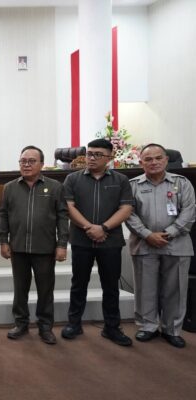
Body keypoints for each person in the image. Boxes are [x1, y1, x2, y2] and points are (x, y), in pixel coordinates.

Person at [61, 138, 134, 346]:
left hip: (110, 241)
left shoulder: (121, 180)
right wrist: (90, 228)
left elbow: (126, 209)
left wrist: (103, 228)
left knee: (111, 286)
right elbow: (69, 207)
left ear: (110, 157)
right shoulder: (72, 179)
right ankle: (74, 323)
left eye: (98, 154)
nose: (91, 158)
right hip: (81, 240)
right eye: (89, 154)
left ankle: (112, 327)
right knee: (79, 284)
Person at [125, 143, 195, 348]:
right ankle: (148, 327)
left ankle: (172, 329)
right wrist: (147, 235)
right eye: (148, 159)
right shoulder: (133, 185)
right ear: (141, 163)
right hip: (144, 244)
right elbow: (128, 213)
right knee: (145, 288)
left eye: (158, 158)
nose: (153, 162)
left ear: (166, 160)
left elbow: (189, 211)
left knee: (176, 289)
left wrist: (170, 233)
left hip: (177, 244)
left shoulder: (182, 183)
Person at [0, 146, 69, 345]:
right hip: (18, 247)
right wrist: (3, 241)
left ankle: (45, 326)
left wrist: (62, 244)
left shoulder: (55, 187)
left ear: (42, 164)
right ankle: (21, 323)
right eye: (23, 161)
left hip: (44, 248)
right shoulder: (10, 187)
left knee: (45, 290)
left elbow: (63, 217)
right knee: (20, 289)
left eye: (31, 161)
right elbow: (4, 216)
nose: (26, 165)